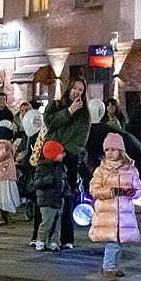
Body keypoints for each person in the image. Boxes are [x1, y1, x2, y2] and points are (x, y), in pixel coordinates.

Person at [43, 77, 91, 250]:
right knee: (48, 198)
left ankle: (66, 237)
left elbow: (81, 139)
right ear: (69, 88)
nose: (76, 92)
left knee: (67, 197)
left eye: (80, 89)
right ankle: (43, 236)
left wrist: (65, 151)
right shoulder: (55, 106)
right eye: (74, 88)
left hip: (68, 160)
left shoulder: (84, 116)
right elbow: (50, 124)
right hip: (49, 157)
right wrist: (69, 111)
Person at [88, 133, 141, 281]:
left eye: (113, 149)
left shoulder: (131, 170)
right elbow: (94, 189)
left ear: (121, 150)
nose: (110, 153)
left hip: (124, 214)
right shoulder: (101, 170)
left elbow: (138, 190)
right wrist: (111, 191)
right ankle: (108, 267)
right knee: (113, 242)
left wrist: (134, 192)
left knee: (119, 241)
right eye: (107, 150)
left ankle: (114, 265)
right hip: (108, 213)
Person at [32, 140, 66, 252]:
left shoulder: (60, 167)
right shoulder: (42, 167)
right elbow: (36, 183)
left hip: (58, 198)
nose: (63, 154)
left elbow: (63, 180)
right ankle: (41, 240)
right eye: (61, 152)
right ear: (53, 155)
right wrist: (46, 180)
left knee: (57, 223)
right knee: (47, 221)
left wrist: (66, 189)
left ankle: (53, 242)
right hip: (46, 199)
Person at [0, 139, 19, 225]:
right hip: (1, 174)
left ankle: (6, 214)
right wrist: (6, 149)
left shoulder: (8, 145)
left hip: (8, 174)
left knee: (8, 195)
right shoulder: (1, 145)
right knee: (1, 196)